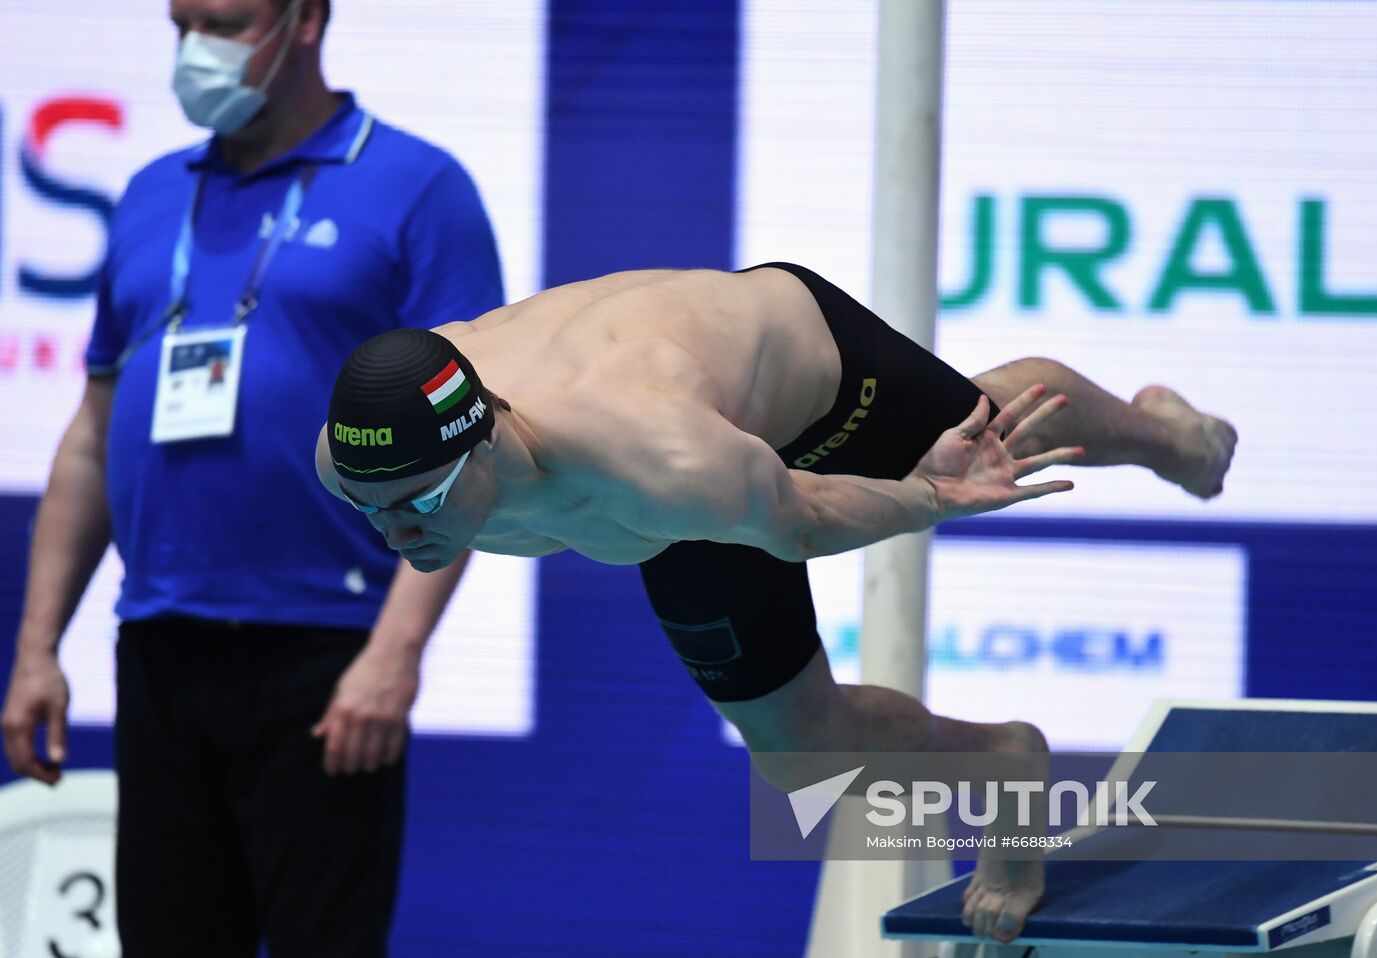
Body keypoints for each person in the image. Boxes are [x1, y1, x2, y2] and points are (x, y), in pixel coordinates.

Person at [316, 262, 1237, 943]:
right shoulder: (353, 458)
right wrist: (400, 503)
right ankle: (1004, 762)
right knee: (803, 760)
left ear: (483, 448)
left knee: (986, 434)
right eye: (372, 508)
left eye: (421, 505)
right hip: (672, 478)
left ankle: (1167, 436)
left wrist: (930, 496)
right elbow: (397, 487)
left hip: (807, 379)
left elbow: (802, 517)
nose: (396, 534)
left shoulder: (654, 454)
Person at [1, 1, 503, 955]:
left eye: (224, 22)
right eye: (181, 22)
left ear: (305, 18)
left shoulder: (415, 188)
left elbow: (474, 447)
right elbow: (89, 438)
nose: (197, 50)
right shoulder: (152, 195)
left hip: (327, 653)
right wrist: (37, 649)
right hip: (160, 645)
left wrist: (395, 654)